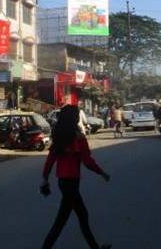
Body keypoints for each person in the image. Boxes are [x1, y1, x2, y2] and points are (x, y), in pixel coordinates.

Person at [41, 105, 111, 249]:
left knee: (81, 215)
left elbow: (50, 160)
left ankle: (95, 247)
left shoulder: (59, 136)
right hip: (71, 184)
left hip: (63, 182)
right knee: (62, 221)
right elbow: (87, 161)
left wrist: (45, 178)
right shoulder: (78, 137)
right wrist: (102, 172)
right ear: (74, 118)